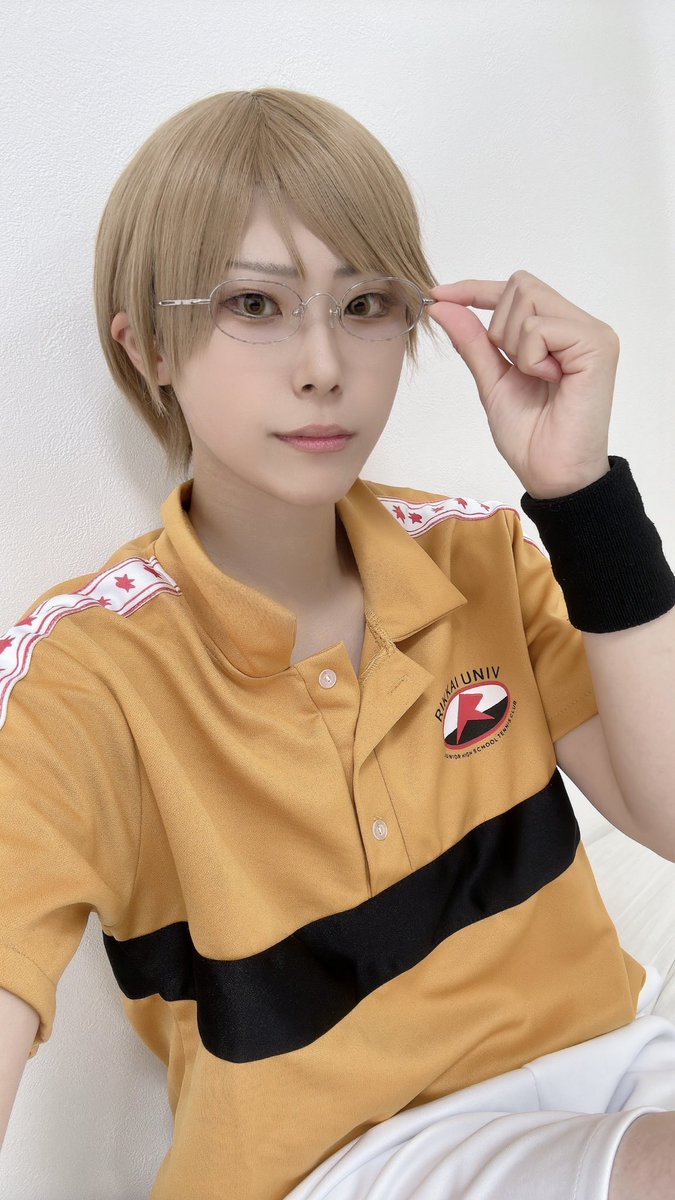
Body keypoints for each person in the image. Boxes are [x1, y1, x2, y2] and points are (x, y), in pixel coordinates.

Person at [1, 86, 675, 1200]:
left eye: (365, 304)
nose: (322, 363)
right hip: (342, 1162)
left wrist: (580, 494)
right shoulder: (84, 674)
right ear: (148, 347)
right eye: (253, 305)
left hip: (607, 1067)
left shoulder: (477, 557)